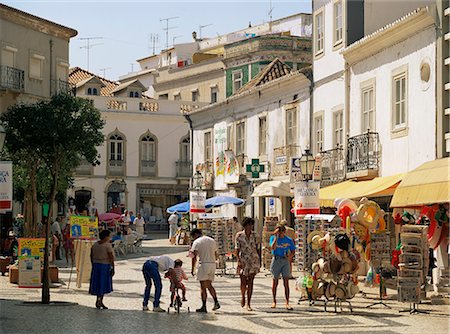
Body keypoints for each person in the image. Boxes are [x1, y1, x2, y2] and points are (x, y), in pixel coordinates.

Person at [190, 228, 220, 313]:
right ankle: (216, 301)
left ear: (195, 235)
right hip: (212, 264)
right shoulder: (212, 240)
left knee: (203, 287)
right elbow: (216, 253)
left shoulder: (197, 242)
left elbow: (194, 257)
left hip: (203, 264)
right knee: (209, 285)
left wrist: (193, 269)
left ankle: (204, 306)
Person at [235, 217, 260, 311]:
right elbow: (237, 249)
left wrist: (259, 261)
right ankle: (243, 296)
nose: (250, 227)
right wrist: (238, 261)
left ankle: (248, 303)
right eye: (248, 225)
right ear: (244, 226)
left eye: (251, 225)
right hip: (243, 260)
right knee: (243, 281)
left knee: (251, 282)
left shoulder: (255, 235)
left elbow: (258, 249)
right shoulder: (239, 235)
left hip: (253, 260)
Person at [269, 222, 295, 310]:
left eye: (282, 232)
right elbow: (273, 248)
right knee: (275, 281)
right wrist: (276, 237)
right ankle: (274, 301)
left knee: (286, 282)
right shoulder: (273, 238)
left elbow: (293, 250)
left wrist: (289, 257)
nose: (281, 233)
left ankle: (287, 302)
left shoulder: (289, 240)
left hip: (285, 260)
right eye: (279, 232)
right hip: (276, 259)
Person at [89, 230, 115, 310]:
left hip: (96, 265)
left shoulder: (95, 245)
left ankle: (98, 300)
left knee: (97, 283)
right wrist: (113, 267)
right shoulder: (107, 245)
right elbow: (111, 257)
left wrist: (93, 264)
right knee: (103, 284)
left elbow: (91, 255)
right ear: (106, 236)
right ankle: (100, 300)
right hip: (104, 265)